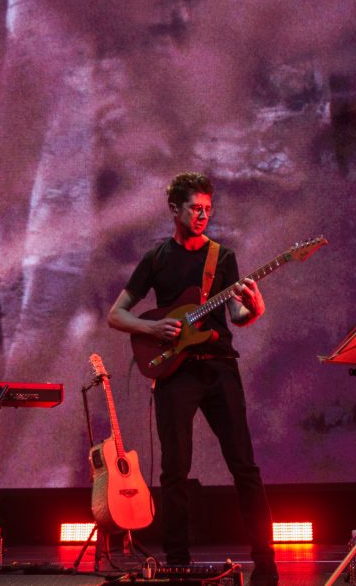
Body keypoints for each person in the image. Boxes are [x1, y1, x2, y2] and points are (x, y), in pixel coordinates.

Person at [108, 173, 279, 586]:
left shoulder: (223, 257)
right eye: (195, 208)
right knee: (174, 470)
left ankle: (266, 563)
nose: (202, 215)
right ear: (174, 210)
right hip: (174, 368)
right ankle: (178, 564)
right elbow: (117, 315)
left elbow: (236, 316)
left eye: (207, 209)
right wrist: (152, 329)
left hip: (218, 365)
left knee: (245, 466)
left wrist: (254, 307)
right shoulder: (156, 258)